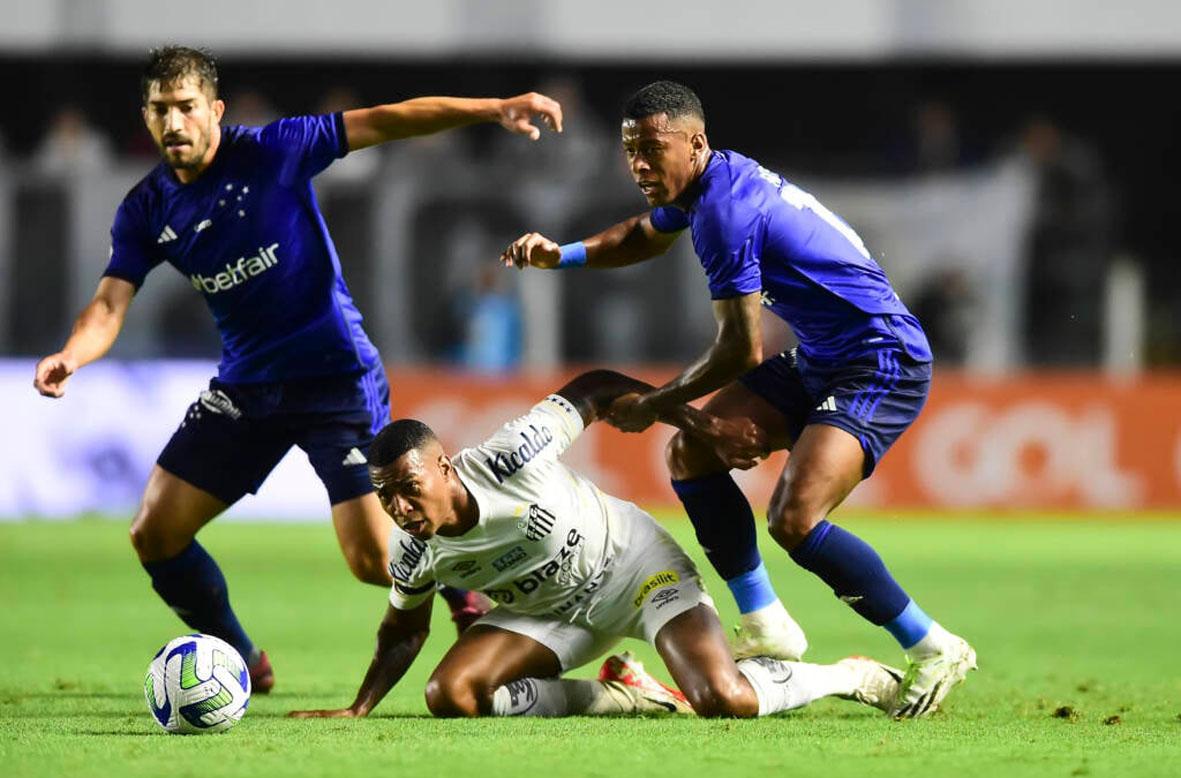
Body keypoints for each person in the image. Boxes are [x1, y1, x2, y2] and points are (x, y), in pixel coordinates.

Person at [32, 45, 564, 693]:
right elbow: (111, 301)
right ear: (145, 116)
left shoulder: (273, 150)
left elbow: (389, 119)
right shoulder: (145, 208)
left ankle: (484, 591)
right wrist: (72, 353)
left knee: (374, 561)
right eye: (160, 110)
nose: (174, 123)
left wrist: (492, 108)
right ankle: (238, 660)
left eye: (186, 108)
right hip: (247, 387)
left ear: (215, 110)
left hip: (334, 378)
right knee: (155, 533)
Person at [501, 80, 975, 718]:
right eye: (630, 151)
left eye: (651, 150)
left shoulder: (725, 211)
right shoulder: (710, 185)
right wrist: (567, 255)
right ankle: (767, 624)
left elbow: (740, 349)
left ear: (695, 143)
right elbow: (645, 233)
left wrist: (655, 401)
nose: (639, 165)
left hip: (880, 361)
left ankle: (934, 645)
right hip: (821, 357)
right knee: (689, 456)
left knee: (794, 519)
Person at [289, 369, 903, 721]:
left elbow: (600, 387)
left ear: (444, 467)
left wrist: (699, 423)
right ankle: (619, 697)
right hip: (549, 615)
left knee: (724, 699)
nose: (397, 507)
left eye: (406, 489)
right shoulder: (413, 550)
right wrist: (358, 708)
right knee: (450, 695)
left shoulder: (510, 457)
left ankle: (842, 676)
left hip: (635, 572)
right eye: (384, 495)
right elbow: (404, 631)